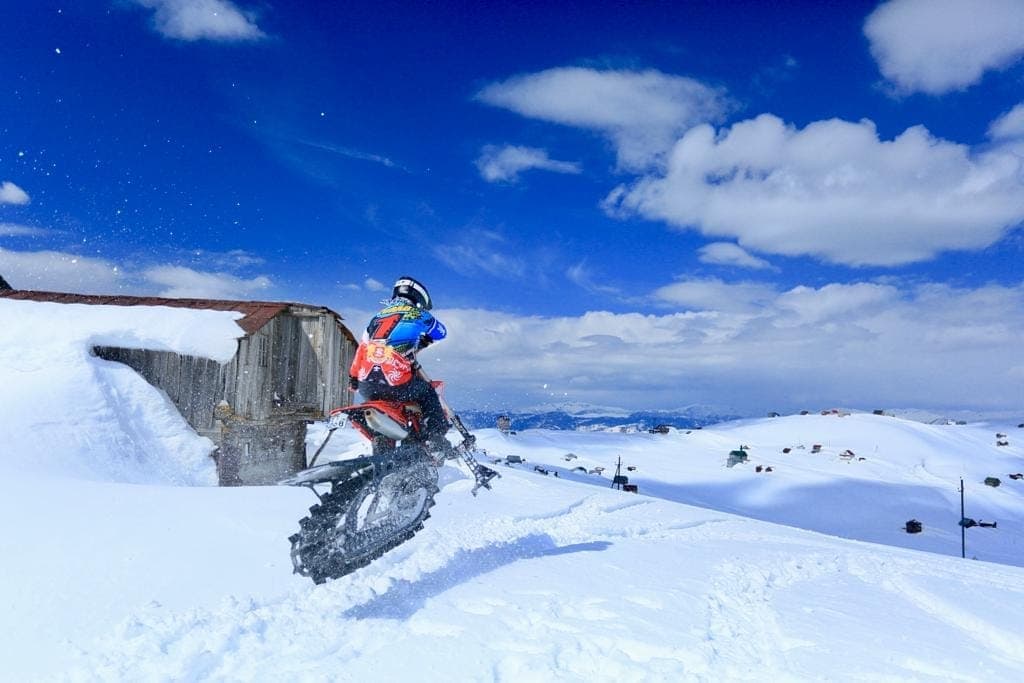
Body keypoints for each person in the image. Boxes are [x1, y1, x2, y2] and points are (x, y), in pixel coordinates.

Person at [348, 276, 451, 448]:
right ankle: (436, 437)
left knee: (398, 397)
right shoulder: (420, 315)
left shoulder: (376, 318)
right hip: (395, 382)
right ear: (418, 297)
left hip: (367, 385)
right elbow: (441, 333)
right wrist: (424, 339)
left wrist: (353, 377)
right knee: (427, 393)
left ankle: (383, 448)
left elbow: (363, 347)